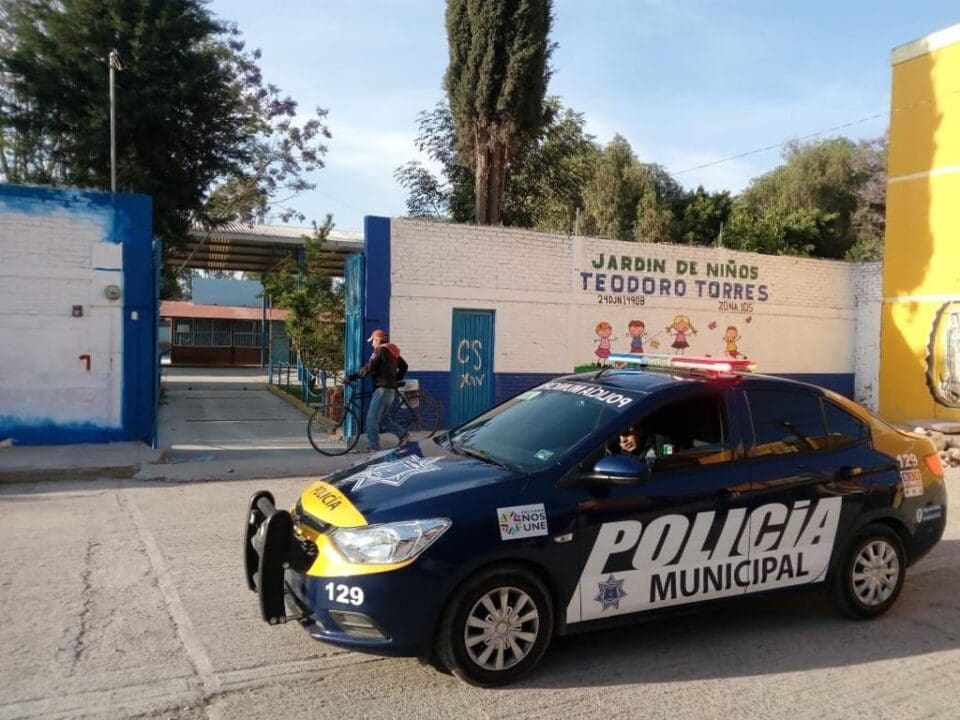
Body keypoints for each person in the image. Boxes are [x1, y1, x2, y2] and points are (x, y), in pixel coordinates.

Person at [347, 329, 410, 451]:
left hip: (382, 390)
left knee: (371, 419)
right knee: (383, 418)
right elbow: (404, 366)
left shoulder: (380, 350)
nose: (372, 344)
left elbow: (368, 368)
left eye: (372, 341)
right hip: (390, 391)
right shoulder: (392, 351)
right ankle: (403, 434)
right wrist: (395, 379)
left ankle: (374, 446)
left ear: (377, 340)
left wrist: (351, 377)